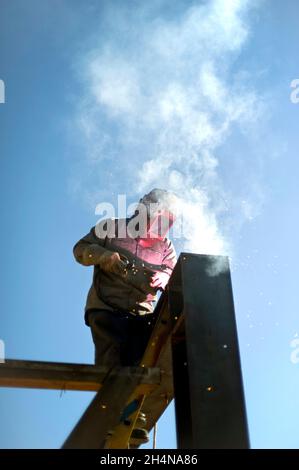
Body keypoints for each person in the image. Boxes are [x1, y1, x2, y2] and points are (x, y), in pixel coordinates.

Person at [73, 188, 177, 443]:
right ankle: (108, 416)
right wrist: (104, 256)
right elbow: (80, 249)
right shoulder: (111, 227)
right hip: (105, 307)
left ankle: (131, 419)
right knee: (112, 358)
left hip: (140, 314)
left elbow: (172, 269)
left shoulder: (166, 247)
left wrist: (165, 276)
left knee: (141, 362)